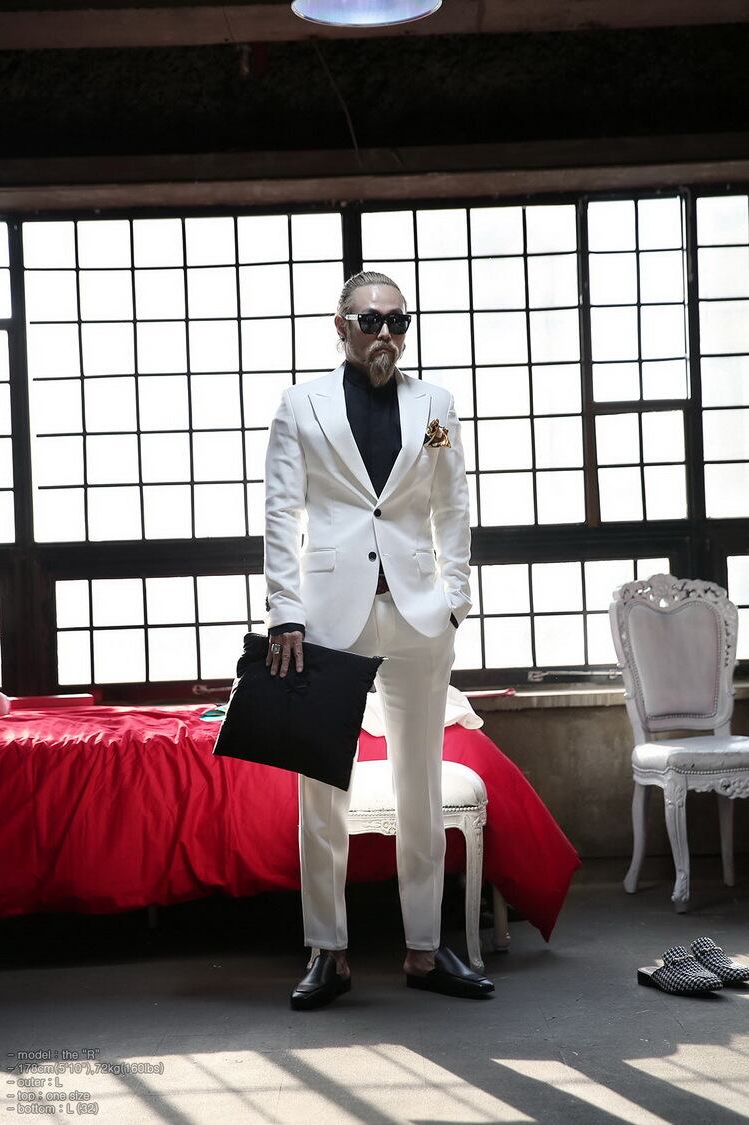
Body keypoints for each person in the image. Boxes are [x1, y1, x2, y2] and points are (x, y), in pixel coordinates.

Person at [263, 270, 494, 1009]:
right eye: (371, 321)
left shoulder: (436, 405)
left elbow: (453, 506)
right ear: (342, 327)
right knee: (322, 787)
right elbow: (280, 513)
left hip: (420, 613)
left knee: (419, 783)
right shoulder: (300, 404)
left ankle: (425, 948)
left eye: (399, 320)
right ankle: (327, 950)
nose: (387, 333)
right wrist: (285, 612)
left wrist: (456, 598)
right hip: (329, 616)